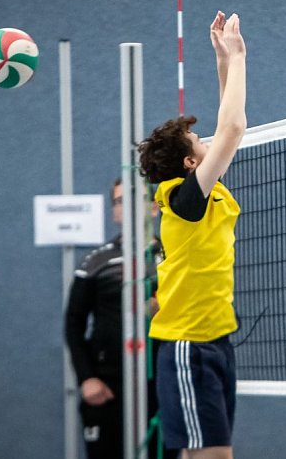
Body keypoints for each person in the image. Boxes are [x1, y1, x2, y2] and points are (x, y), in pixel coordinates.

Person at [137, 10, 246, 459]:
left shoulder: (202, 192)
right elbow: (233, 128)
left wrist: (222, 59)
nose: (208, 141)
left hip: (216, 339)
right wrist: (240, 56)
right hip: (189, 346)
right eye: (199, 142)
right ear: (189, 163)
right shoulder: (184, 201)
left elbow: (225, 126)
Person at [64, 178, 167, 458]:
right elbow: (73, 324)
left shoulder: (173, 257)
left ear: (154, 208)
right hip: (108, 385)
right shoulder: (95, 263)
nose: (130, 206)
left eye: (138, 198)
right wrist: (87, 378)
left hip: (162, 383)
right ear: (114, 212)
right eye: (121, 201)